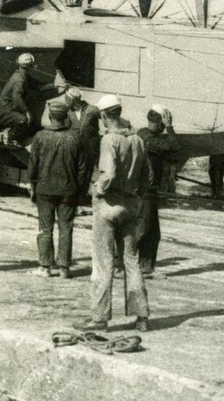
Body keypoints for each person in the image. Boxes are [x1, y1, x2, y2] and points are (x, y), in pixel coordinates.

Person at [74, 94, 153, 332]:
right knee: (132, 262)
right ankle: (142, 317)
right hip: (130, 204)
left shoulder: (109, 140)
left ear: (104, 115)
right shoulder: (138, 139)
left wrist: (97, 189)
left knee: (102, 263)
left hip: (108, 205)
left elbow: (107, 174)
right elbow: (147, 177)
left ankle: (99, 318)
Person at [27, 102, 88, 278]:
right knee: (66, 228)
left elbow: (33, 166)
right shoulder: (76, 138)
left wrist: (33, 185)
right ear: (66, 117)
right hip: (69, 190)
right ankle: (64, 268)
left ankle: (45, 266)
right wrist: (79, 189)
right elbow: (83, 168)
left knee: (45, 228)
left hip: (45, 189)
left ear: (50, 117)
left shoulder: (40, 137)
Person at [136, 104, 180, 275]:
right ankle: (126, 264)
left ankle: (145, 266)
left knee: (152, 232)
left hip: (150, 189)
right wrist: (169, 127)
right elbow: (175, 146)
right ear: (160, 122)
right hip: (144, 190)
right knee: (143, 229)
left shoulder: (146, 135)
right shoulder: (147, 137)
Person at [0, 53, 62, 144]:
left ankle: (12, 136)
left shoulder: (24, 75)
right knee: (23, 120)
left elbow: (39, 86)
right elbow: (17, 97)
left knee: (29, 121)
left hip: (10, 108)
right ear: (31, 66)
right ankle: (9, 138)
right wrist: (26, 111)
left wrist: (55, 85)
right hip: (5, 110)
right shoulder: (19, 78)